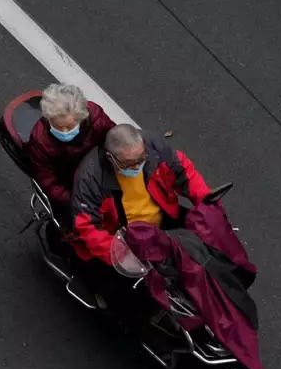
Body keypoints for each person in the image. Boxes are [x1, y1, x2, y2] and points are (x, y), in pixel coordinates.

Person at [68, 123, 211, 318]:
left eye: (141, 159)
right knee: (128, 300)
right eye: (129, 164)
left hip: (162, 223)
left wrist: (209, 205)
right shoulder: (90, 178)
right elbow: (89, 229)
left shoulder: (154, 147)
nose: (137, 166)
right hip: (123, 240)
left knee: (205, 244)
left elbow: (184, 172)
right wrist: (122, 256)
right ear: (111, 158)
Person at [26, 82, 116, 218]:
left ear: (81, 117)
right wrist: (79, 200)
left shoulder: (96, 117)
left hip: (100, 169)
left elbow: (115, 141)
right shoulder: (40, 142)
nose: (64, 132)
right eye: (58, 126)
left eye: (70, 126)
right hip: (71, 186)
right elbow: (50, 183)